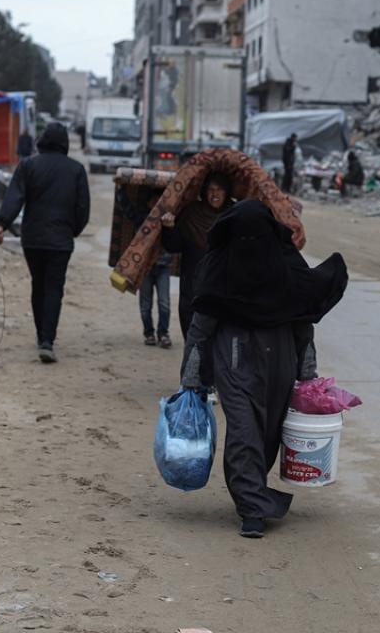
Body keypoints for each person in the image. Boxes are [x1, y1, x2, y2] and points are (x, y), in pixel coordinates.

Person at [180, 200, 348, 538]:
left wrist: (308, 372)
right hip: (234, 359)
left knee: (268, 434)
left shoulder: (285, 262)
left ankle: (252, 488)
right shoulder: (219, 266)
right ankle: (252, 508)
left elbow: (303, 319)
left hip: (279, 361)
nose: (250, 245)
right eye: (243, 237)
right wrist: (192, 376)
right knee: (244, 433)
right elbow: (201, 326)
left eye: (256, 236)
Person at [0, 122, 90, 362]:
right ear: (65, 143)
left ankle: (40, 335)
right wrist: (72, 231)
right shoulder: (76, 170)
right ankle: (47, 340)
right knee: (54, 288)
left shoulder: (28, 165)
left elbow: (14, 197)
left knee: (38, 285)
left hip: (33, 239)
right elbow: (83, 208)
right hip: (61, 241)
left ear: (43, 140)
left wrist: (2, 224)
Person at [160, 172, 232, 340]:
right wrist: (168, 229)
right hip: (193, 289)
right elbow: (173, 246)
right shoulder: (191, 213)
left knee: (220, 343)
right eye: (210, 189)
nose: (214, 194)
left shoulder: (235, 214)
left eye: (220, 190)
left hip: (224, 292)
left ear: (227, 192)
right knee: (193, 339)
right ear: (204, 191)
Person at [141, 252, 173, 348]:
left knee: (164, 303)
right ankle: (149, 334)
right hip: (145, 266)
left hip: (164, 266)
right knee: (145, 305)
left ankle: (163, 334)